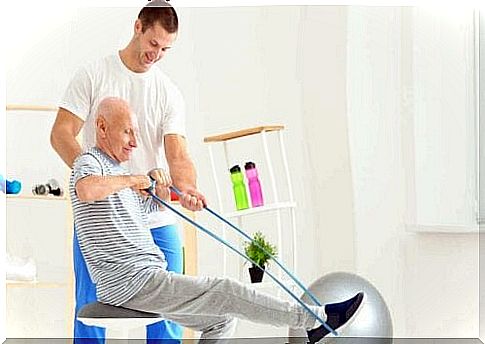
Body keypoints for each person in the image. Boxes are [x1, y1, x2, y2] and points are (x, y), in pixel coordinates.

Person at [71, 97, 364, 344]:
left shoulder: (118, 179)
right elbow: (86, 189)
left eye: (136, 133)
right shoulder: (90, 163)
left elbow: (146, 208)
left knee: (221, 321)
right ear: (102, 127)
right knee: (225, 290)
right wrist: (136, 178)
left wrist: (177, 195)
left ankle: (312, 319)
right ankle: (314, 319)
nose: (135, 142)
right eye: (127, 133)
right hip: (132, 281)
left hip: (147, 277)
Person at [50, 1, 203, 342]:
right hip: (102, 218)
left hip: (154, 219)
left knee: (168, 313)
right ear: (138, 27)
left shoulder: (168, 92)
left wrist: (188, 188)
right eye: (153, 44)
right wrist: (100, 180)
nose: (157, 54)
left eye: (165, 49)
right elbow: (61, 134)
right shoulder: (94, 75)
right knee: (91, 312)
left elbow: (177, 152)